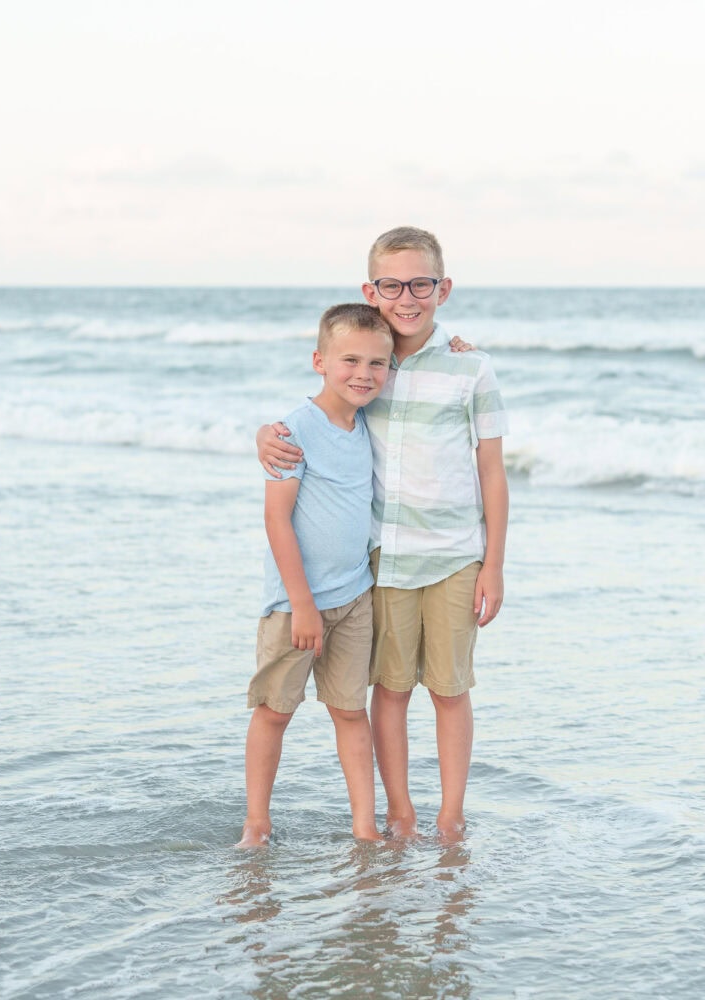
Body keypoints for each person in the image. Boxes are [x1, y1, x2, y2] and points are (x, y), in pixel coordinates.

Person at [258, 227, 508, 842]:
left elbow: (492, 470)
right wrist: (265, 435)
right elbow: (323, 411)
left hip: (454, 558)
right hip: (385, 559)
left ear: (442, 289)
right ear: (372, 290)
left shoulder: (469, 366)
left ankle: (450, 815)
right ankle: (401, 812)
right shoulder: (371, 362)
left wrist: (495, 565)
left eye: (421, 284)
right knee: (389, 691)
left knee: (449, 690)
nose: (407, 297)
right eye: (392, 285)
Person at [238, 303, 394, 848]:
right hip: (293, 603)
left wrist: (458, 346)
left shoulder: (369, 423)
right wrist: (302, 603)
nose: (364, 373)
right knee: (274, 711)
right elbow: (276, 519)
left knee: (351, 711)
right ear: (319, 361)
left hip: (354, 597)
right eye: (349, 359)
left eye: (378, 363)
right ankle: (257, 822)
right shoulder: (292, 431)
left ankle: (364, 826)